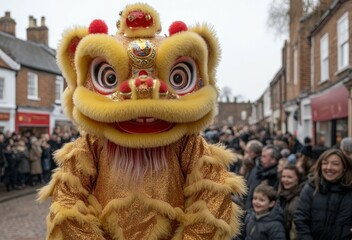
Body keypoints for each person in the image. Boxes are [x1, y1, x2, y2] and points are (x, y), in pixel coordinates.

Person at [294, 148, 352, 240]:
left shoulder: (349, 192)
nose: (329, 167)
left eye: (335, 164)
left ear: (344, 168)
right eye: (325, 163)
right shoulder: (310, 188)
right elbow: (301, 219)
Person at [245, 144, 281, 209]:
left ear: (273, 160)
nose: (261, 159)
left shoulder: (275, 176)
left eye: (264, 157)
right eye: (261, 156)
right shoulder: (256, 169)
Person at [278, 164, 302, 240]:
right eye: (283, 176)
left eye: (289, 177)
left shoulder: (297, 201)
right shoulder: (282, 196)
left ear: (297, 179)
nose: (285, 180)